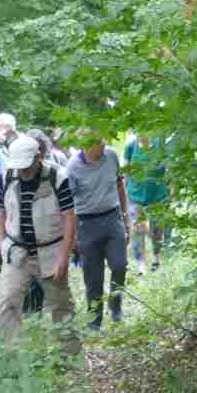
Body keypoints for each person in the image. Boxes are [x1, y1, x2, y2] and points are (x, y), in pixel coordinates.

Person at [0, 134, 77, 351]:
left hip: (51, 252)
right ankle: (7, 355)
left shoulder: (58, 176)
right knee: (7, 301)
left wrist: (63, 258)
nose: (22, 171)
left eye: (27, 166)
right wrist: (0, 243)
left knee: (61, 305)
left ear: (38, 157)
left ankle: (69, 355)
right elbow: (0, 211)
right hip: (16, 251)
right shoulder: (7, 176)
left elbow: (69, 217)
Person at [67, 134, 128, 330]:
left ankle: (116, 305)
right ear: (85, 146)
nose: (103, 146)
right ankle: (94, 320)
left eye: (103, 142)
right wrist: (72, 236)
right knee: (93, 277)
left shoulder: (111, 156)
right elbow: (68, 206)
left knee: (120, 265)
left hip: (112, 218)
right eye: (98, 144)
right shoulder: (72, 167)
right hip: (87, 223)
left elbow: (120, 185)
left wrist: (125, 217)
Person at [125, 133, 171, 270]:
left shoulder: (160, 145)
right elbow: (126, 171)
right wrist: (126, 189)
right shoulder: (131, 147)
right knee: (137, 228)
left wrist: (171, 189)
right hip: (135, 194)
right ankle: (140, 264)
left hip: (157, 194)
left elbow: (169, 168)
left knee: (157, 229)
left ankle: (156, 257)